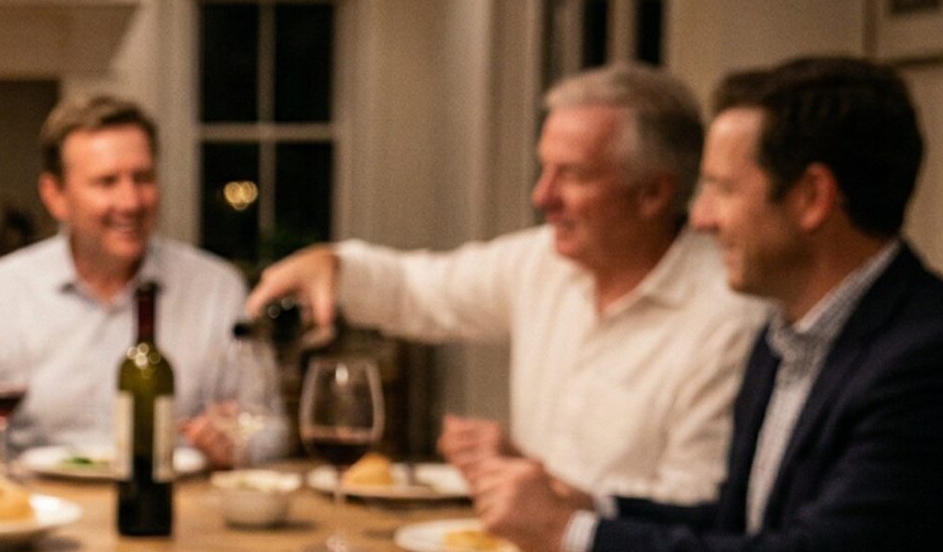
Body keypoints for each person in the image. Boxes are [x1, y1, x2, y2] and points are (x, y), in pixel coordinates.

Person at [471, 56, 943, 552]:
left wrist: (573, 537)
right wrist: (591, 504)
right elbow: (747, 524)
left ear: (812, 198)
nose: (702, 218)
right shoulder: (789, 333)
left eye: (719, 188)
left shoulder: (936, 362)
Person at [243, 64, 763, 503]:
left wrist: (543, 485)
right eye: (544, 169)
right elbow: (418, 289)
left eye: (573, 175)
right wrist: (331, 263)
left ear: (652, 193)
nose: (543, 196)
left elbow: (695, 514)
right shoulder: (543, 263)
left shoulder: (727, 318)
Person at [0, 95, 251, 466]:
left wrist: (236, 443)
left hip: (175, 510)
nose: (131, 201)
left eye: (143, 178)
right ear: (55, 196)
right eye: (106, 182)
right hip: (38, 511)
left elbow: (269, 429)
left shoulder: (218, 291)